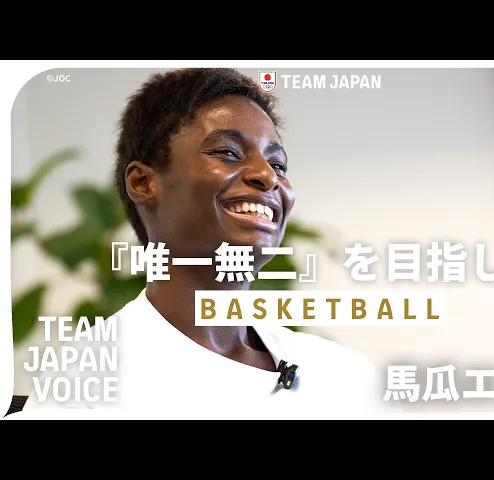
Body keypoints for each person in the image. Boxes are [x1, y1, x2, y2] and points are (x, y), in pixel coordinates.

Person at [22, 68, 395, 418]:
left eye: (278, 165)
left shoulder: (345, 375)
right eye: (228, 153)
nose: (267, 176)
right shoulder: (83, 384)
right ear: (143, 183)